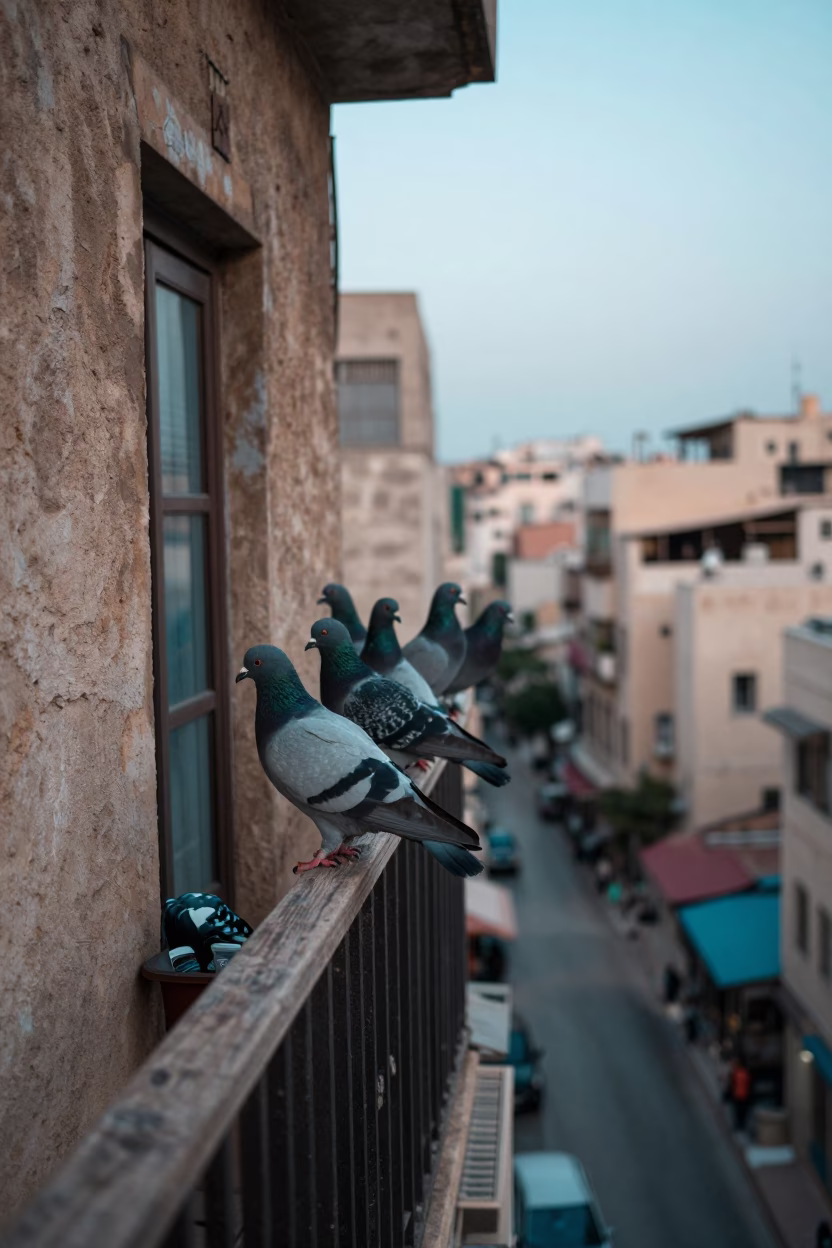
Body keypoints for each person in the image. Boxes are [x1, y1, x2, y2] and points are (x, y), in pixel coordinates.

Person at [729, 1057, 752, 1133]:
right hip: (744, 1095)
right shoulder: (745, 1073)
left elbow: (732, 1084)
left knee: (738, 1112)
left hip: (738, 1095)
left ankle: (738, 1125)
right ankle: (741, 1125)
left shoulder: (736, 1073)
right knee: (742, 1112)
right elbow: (748, 1084)